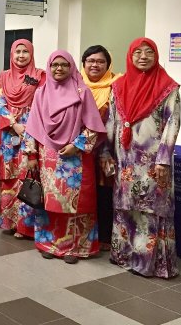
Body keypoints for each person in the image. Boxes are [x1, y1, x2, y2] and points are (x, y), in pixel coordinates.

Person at [103, 38, 181, 278]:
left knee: (150, 210)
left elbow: (172, 123)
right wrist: (106, 152)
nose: (143, 57)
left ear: (156, 56)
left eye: (149, 52)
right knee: (125, 208)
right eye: (138, 52)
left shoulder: (168, 87)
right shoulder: (119, 86)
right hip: (125, 160)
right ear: (130, 56)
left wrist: (163, 159)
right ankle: (124, 256)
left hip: (153, 162)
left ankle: (148, 263)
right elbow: (112, 121)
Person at [25, 50, 105, 264]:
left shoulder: (82, 93)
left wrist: (76, 146)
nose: (59, 69)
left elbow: (93, 127)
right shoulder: (41, 93)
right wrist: (31, 154)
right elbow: (32, 127)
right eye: (54, 65)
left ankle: (74, 247)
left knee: (75, 203)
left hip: (75, 158)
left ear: (71, 67)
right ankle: (50, 244)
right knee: (50, 202)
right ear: (49, 67)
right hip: (48, 158)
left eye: (64, 65)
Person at [0, 39, 44, 239]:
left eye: (25, 51)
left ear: (31, 54)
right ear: (12, 54)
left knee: (28, 175)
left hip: (32, 131)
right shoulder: (4, 76)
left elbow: (42, 104)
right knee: (9, 177)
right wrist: (13, 124)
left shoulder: (40, 76)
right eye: (18, 51)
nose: (21, 55)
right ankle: (10, 222)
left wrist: (27, 126)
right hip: (9, 134)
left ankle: (26, 227)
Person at [81, 45, 121, 252]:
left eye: (100, 61)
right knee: (83, 192)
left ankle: (104, 235)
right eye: (90, 61)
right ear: (84, 63)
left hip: (107, 149)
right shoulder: (76, 84)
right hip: (79, 148)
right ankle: (84, 234)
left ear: (108, 64)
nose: (95, 65)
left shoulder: (117, 86)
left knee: (105, 192)